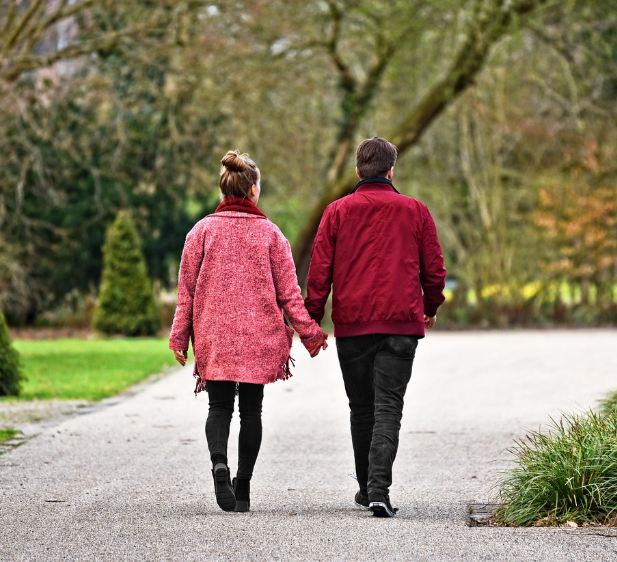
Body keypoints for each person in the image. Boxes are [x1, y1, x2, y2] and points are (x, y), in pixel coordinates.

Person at [169, 150, 328, 513]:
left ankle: (219, 464)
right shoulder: (272, 235)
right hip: (260, 337)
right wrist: (310, 333)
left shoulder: (201, 232)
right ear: (254, 190)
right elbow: (289, 295)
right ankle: (242, 488)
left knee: (219, 406)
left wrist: (179, 337)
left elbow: (186, 293)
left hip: (215, 335)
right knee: (251, 411)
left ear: (222, 189)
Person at [305, 136, 446, 518]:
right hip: (401, 325)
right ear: (391, 171)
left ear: (357, 171)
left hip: (353, 327)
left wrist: (311, 319)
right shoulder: (415, 211)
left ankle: (368, 489)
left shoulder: (336, 212)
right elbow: (435, 270)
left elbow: (319, 272)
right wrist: (430, 307)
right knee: (388, 407)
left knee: (362, 408)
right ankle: (378, 489)